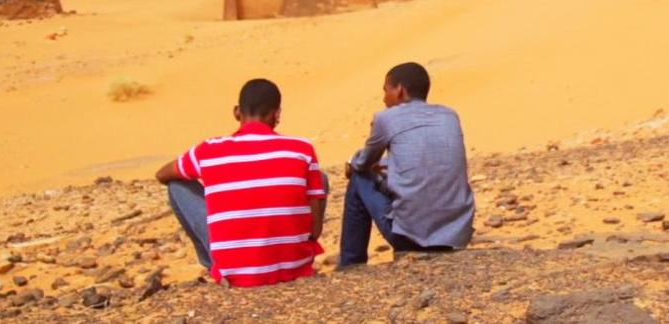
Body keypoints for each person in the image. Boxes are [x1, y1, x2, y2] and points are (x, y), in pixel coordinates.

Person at [155, 78, 327, 286]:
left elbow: (162, 174)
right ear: (277, 114)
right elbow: (315, 227)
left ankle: (214, 263)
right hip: (294, 267)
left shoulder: (209, 150)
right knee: (319, 179)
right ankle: (290, 252)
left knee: (177, 185)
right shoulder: (302, 148)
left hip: (236, 273)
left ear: (237, 112)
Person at [338, 62, 475, 267]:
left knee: (359, 178)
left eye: (386, 90)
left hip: (410, 238)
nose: (384, 98)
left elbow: (363, 162)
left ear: (400, 90)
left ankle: (351, 264)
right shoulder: (450, 115)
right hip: (456, 235)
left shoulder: (386, 117)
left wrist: (352, 164)